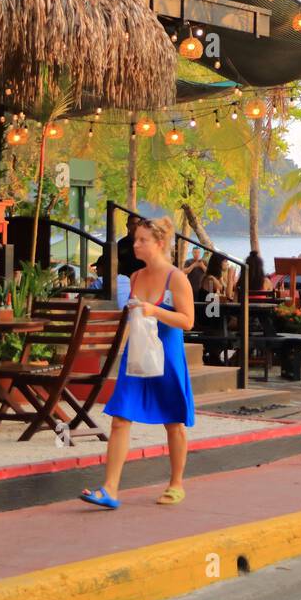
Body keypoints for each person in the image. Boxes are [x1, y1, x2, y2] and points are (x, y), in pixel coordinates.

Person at [81, 216, 195, 509]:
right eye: (136, 239)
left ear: (159, 244)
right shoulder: (134, 278)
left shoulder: (176, 278)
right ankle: (110, 489)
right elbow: (132, 317)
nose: (136, 244)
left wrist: (152, 310)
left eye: (142, 240)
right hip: (137, 356)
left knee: (173, 421)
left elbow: (187, 320)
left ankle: (176, 483)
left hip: (167, 356)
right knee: (120, 418)